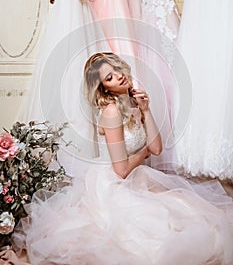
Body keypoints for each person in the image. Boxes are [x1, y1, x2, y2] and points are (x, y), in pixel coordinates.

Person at [12, 53, 233, 265]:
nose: (118, 76)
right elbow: (121, 170)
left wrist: (146, 111)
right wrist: (144, 153)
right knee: (152, 236)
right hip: (114, 183)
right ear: (104, 89)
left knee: (192, 214)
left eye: (116, 69)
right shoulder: (111, 112)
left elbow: (156, 148)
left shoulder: (133, 103)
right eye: (109, 78)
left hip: (137, 177)